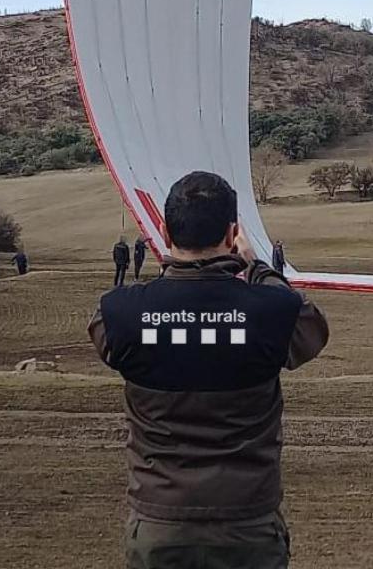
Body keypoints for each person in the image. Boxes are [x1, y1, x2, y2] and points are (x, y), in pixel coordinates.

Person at [87, 171, 329, 569]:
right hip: (247, 527)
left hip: (160, 524)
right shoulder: (274, 312)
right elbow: (309, 327)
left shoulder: (119, 313)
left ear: (164, 232)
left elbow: (114, 336)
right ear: (233, 233)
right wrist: (258, 267)